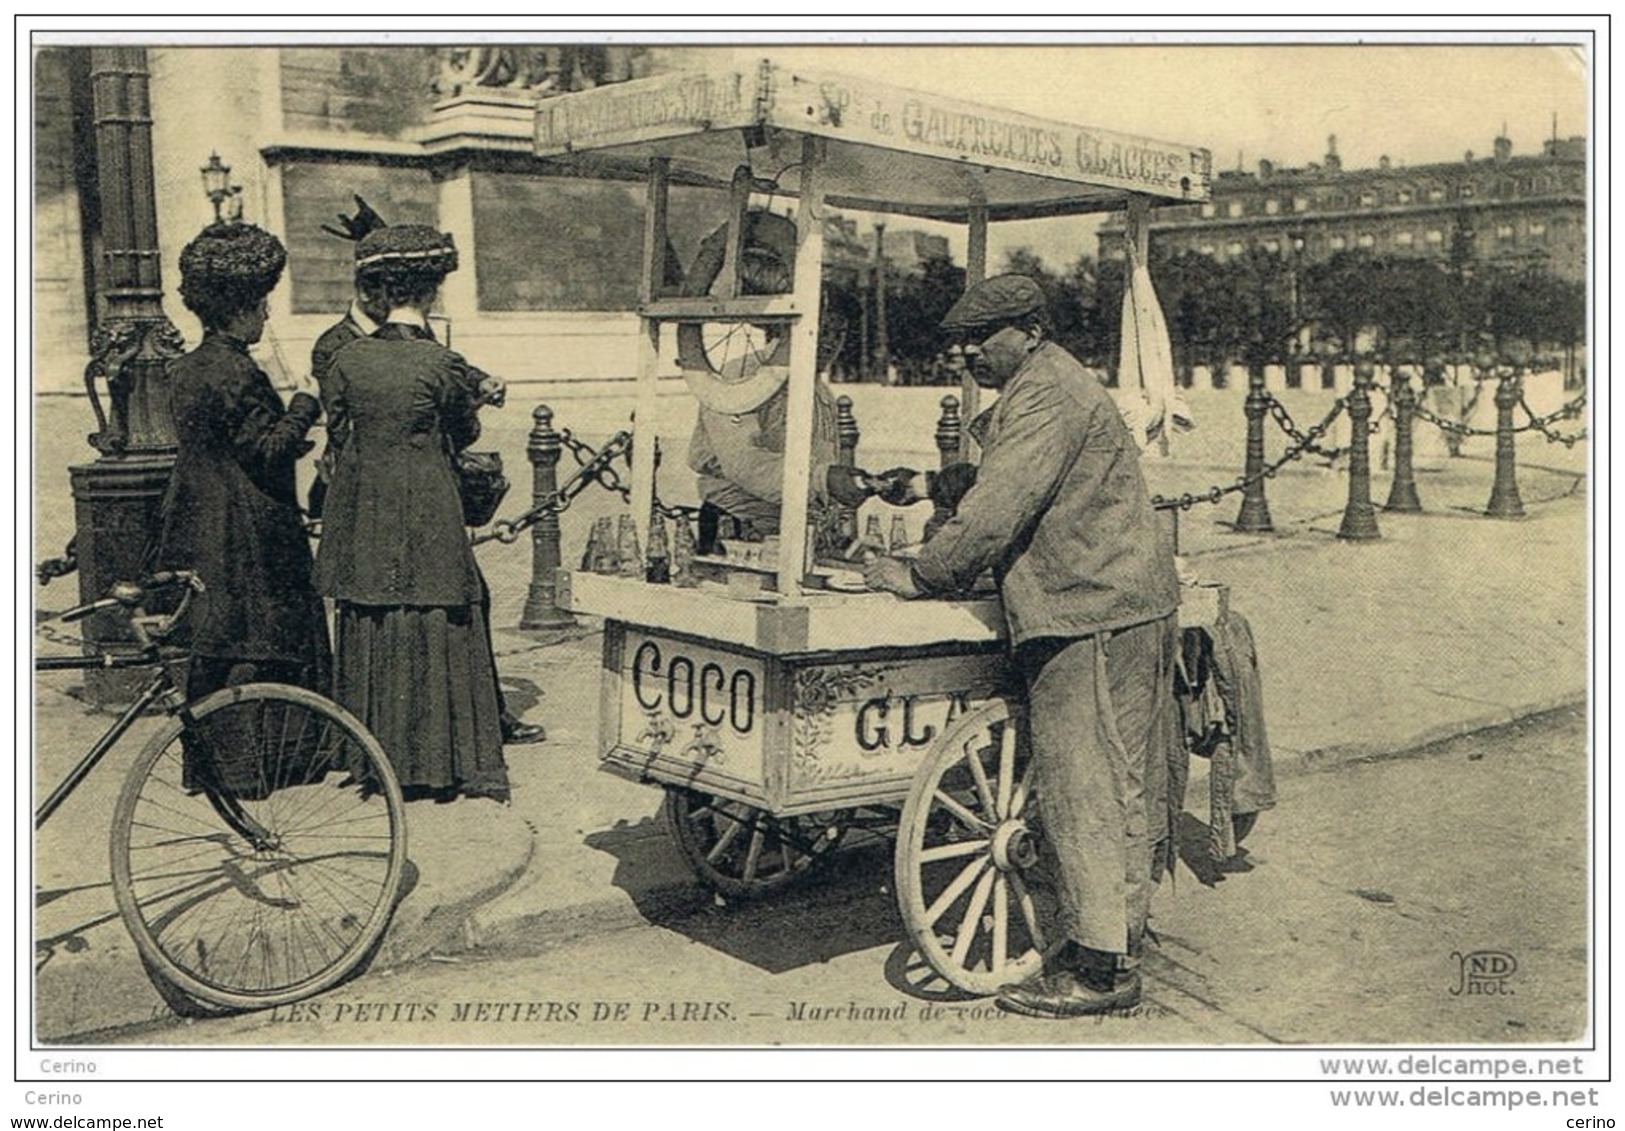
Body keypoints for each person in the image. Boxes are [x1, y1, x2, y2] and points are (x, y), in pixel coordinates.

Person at [864, 274, 1181, 1018]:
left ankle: (1101, 969)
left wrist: (916, 571)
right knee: (1112, 779)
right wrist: (929, 487)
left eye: (982, 338)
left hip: (1088, 609)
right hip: (1110, 600)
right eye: (959, 342)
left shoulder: (1045, 395)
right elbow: (1006, 480)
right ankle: (1112, 935)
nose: (966, 353)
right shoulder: (1048, 382)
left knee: (1086, 785)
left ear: (1030, 330)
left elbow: (995, 512)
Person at [312, 199, 543, 747]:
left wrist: (474, 381)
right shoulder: (335, 345)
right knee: (421, 605)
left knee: (434, 604)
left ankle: (456, 719)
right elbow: (442, 415)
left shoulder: (376, 348)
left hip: (380, 491)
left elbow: (430, 377)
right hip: (390, 490)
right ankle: (432, 733)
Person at [151, 221, 331, 793]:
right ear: (240, 309)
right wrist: (305, 402)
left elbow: (228, 441)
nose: (266, 317)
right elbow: (266, 449)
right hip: (246, 525)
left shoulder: (186, 367)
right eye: (261, 306)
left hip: (200, 513)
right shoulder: (237, 370)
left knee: (217, 642)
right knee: (259, 641)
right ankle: (262, 770)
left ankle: (211, 768)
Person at [686, 283, 855, 556]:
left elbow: (824, 462)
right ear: (787, 328)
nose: (830, 342)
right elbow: (742, 461)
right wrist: (822, 479)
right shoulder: (743, 374)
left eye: (839, 333)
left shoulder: (821, 392)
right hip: (736, 525)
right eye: (822, 329)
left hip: (795, 529)